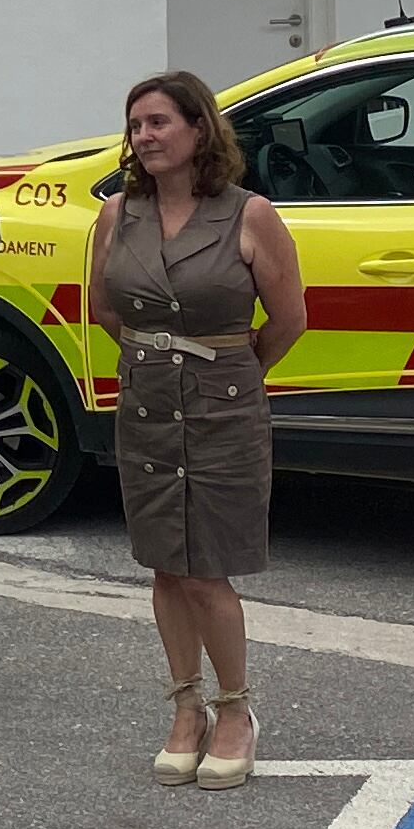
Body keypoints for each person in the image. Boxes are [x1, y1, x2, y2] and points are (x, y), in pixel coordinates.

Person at [91, 70, 303, 791]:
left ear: (198, 130)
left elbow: (288, 321)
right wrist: (162, 356)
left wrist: (227, 369)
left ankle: (235, 710)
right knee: (164, 565)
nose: (144, 137)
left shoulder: (250, 214)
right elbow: (106, 310)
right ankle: (185, 708)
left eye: (158, 123)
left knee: (208, 569)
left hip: (222, 407)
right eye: (136, 126)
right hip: (146, 402)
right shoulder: (116, 214)